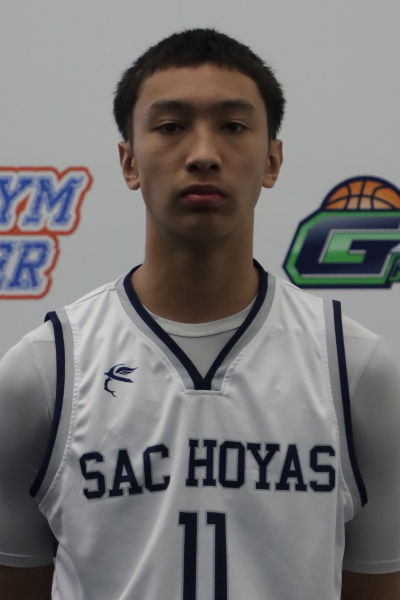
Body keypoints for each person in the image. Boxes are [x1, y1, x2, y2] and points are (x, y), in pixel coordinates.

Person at [0, 28, 399, 600]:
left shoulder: (355, 368)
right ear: (129, 161)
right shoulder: (46, 372)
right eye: (171, 127)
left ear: (272, 160)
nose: (204, 154)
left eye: (233, 126)